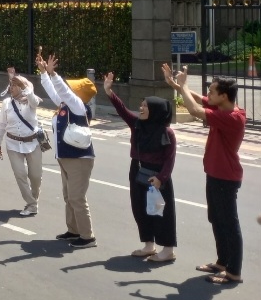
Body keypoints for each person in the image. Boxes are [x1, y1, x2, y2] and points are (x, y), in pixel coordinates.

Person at [163, 64, 246, 285]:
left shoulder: (232, 117)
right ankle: (222, 262)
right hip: (215, 174)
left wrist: (183, 85)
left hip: (225, 177)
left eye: (212, 91)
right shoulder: (223, 108)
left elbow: (194, 110)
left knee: (229, 223)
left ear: (224, 96)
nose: (208, 94)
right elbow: (199, 100)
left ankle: (233, 271)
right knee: (217, 219)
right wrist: (178, 87)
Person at [104, 72, 177, 262]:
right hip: (137, 170)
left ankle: (168, 250)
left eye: (145, 106)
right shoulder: (137, 124)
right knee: (140, 208)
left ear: (155, 110)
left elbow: (170, 159)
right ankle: (148, 245)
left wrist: (161, 178)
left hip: (158, 175)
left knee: (162, 212)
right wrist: (109, 91)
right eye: (141, 105)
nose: (141, 108)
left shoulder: (166, 132)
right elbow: (122, 110)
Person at [37, 52, 98, 249]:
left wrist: (54, 74)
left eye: (72, 89)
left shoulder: (78, 106)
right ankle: (73, 230)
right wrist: (44, 73)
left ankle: (87, 236)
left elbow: (63, 91)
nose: (67, 91)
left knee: (76, 197)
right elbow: (53, 91)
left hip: (79, 158)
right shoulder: (64, 106)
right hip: (66, 157)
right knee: (68, 196)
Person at [0, 68, 44, 216]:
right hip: (13, 143)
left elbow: (34, 101)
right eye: (11, 85)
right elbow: (2, 124)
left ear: (23, 87)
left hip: (32, 142)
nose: (11, 88)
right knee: (20, 174)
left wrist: (25, 86)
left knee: (35, 176)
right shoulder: (7, 103)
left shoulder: (30, 100)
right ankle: (31, 204)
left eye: (15, 85)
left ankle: (33, 199)